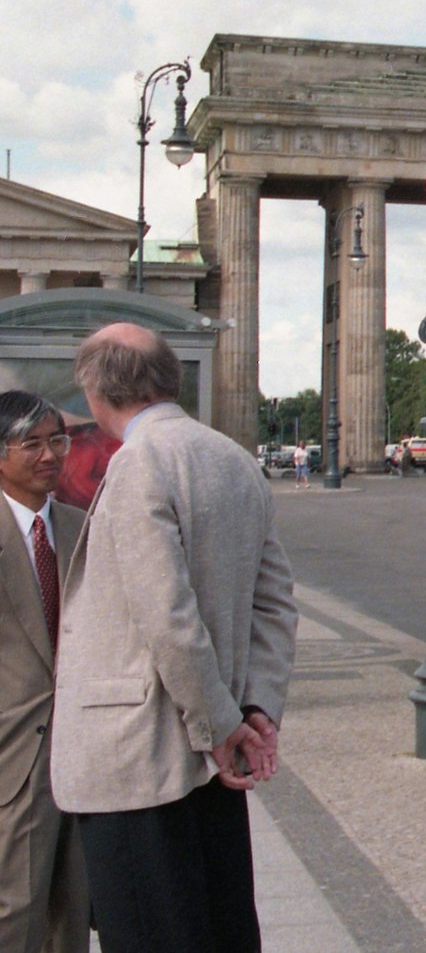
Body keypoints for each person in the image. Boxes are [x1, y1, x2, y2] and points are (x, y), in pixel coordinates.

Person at [51, 323, 297, 952]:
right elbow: (274, 603)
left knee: (151, 933)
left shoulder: (138, 463)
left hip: (139, 758)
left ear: (98, 390)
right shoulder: (234, 458)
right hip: (216, 763)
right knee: (219, 930)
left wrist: (220, 726)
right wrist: (256, 708)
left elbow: (168, 615)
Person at [0, 391, 89, 952]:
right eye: (31, 443)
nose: (50, 455)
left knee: (73, 908)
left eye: (57, 441)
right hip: (12, 755)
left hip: (83, 753)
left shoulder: (84, 528)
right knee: (15, 908)